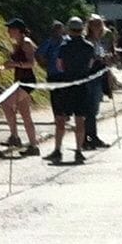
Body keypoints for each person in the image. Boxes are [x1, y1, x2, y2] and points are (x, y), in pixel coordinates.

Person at [46, 17, 95, 165]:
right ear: (82, 29)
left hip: (66, 85)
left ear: (69, 29)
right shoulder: (89, 47)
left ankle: (57, 150)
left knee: (60, 118)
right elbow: (90, 65)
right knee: (80, 119)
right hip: (82, 85)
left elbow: (59, 65)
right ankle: (79, 151)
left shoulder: (64, 46)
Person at [0, 18, 41, 156]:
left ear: (19, 30)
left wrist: (14, 64)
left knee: (5, 103)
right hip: (19, 80)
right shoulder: (17, 44)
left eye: (11, 28)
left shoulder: (26, 43)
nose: (9, 31)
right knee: (25, 115)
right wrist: (7, 66)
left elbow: (31, 64)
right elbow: (18, 62)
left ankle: (14, 136)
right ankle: (33, 146)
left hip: (27, 81)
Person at [81, 15, 112, 149]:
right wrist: (99, 59)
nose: (99, 28)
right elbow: (88, 60)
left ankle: (91, 135)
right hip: (90, 77)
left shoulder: (99, 41)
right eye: (96, 25)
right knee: (90, 109)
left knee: (94, 109)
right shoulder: (88, 41)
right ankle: (88, 137)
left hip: (99, 77)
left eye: (100, 25)